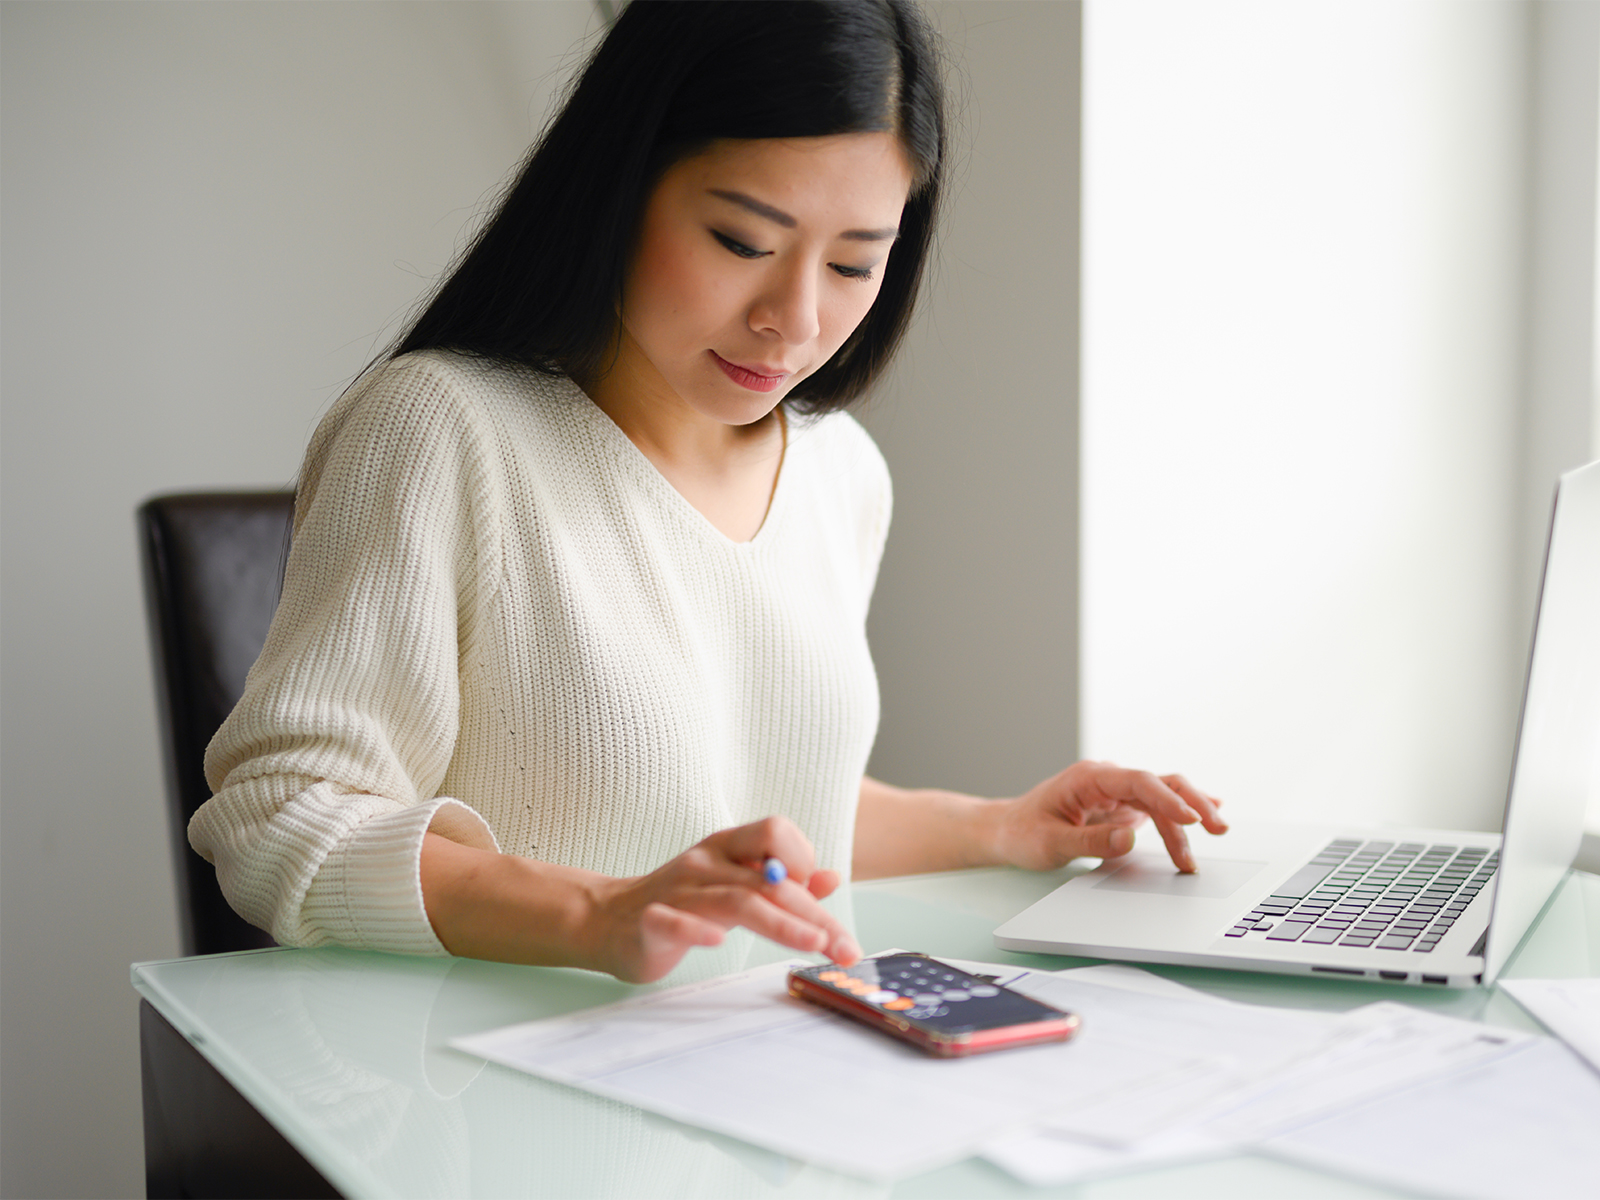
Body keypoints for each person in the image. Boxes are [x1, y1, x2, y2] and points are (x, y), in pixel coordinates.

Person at [190, 0, 1227, 985]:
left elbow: (740, 806)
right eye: (742, 242)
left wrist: (997, 827)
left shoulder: (840, 472)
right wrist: (592, 917)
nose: (795, 318)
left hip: (775, 1093)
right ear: (621, 182)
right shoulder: (441, 430)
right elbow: (280, 822)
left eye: (856, 263)